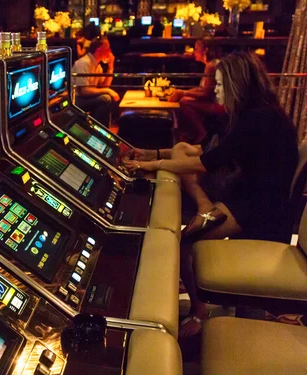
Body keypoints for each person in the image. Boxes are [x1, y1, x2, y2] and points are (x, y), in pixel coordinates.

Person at [124, 52, 298, 337]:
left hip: (259, 211)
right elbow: (209, 153)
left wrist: (149, 165)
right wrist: (153, 155)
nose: (215, 90)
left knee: (184, 242)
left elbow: (203, 163)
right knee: (186, 237)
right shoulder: (258, 112)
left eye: (219, 84)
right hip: (250, 200)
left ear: (235, 83)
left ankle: (199, 311)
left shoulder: (257, 119)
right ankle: (201, 304)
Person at [168, 40, 226, 144]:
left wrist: (183, 93)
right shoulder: (210, 64)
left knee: (184, 102)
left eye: (196, 49)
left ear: (205, 51)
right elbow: (201, 88)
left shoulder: (212, 66)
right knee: (184, 99)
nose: (194, 52)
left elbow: (206, 94)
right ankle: (189, 134)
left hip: (220, 105)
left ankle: (201, 132)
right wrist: (181, 91)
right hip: (215, 102)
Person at [72, 36, 120, 127]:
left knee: (108, 97)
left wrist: (110, 67)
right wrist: (108, 91)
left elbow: (104, 86)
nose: (110, 52)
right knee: (105, 98)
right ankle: (101, 130)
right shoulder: (84, 63)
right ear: (98, 50)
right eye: (107, 48)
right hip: (75, 99)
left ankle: (99, 128)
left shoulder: (97, 65)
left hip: (84, 97)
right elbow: (83, 91)